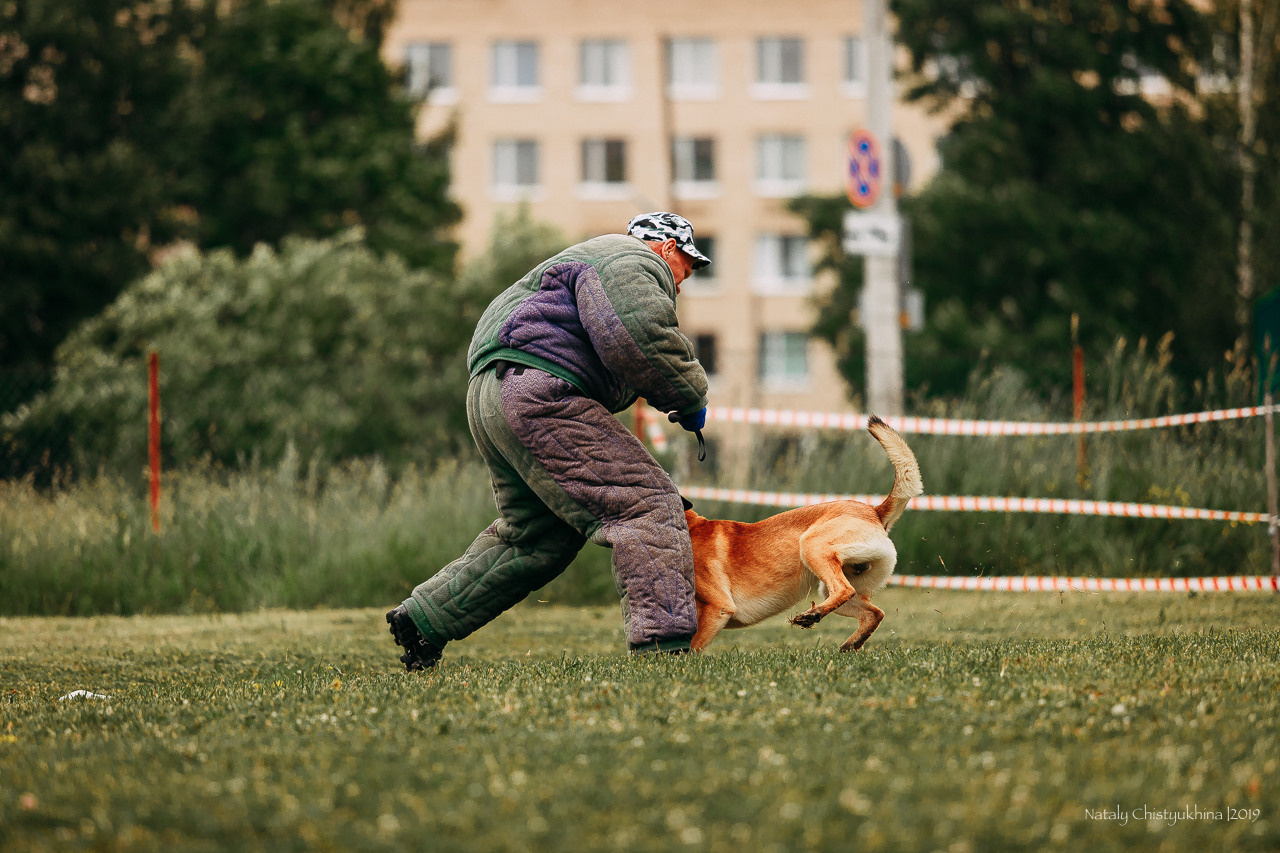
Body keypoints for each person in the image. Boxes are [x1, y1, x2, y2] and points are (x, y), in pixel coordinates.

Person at [386, 212, 712, 670]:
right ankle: (665, 651)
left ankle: (423, 621)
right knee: (646, 503)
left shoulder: (582, 261)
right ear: (667, 248)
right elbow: (637, 335)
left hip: (493, 396)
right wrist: (688, 393)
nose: (682, 283)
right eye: (687, 267)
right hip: (540, 392)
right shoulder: (631, 258)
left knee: (537, 538)